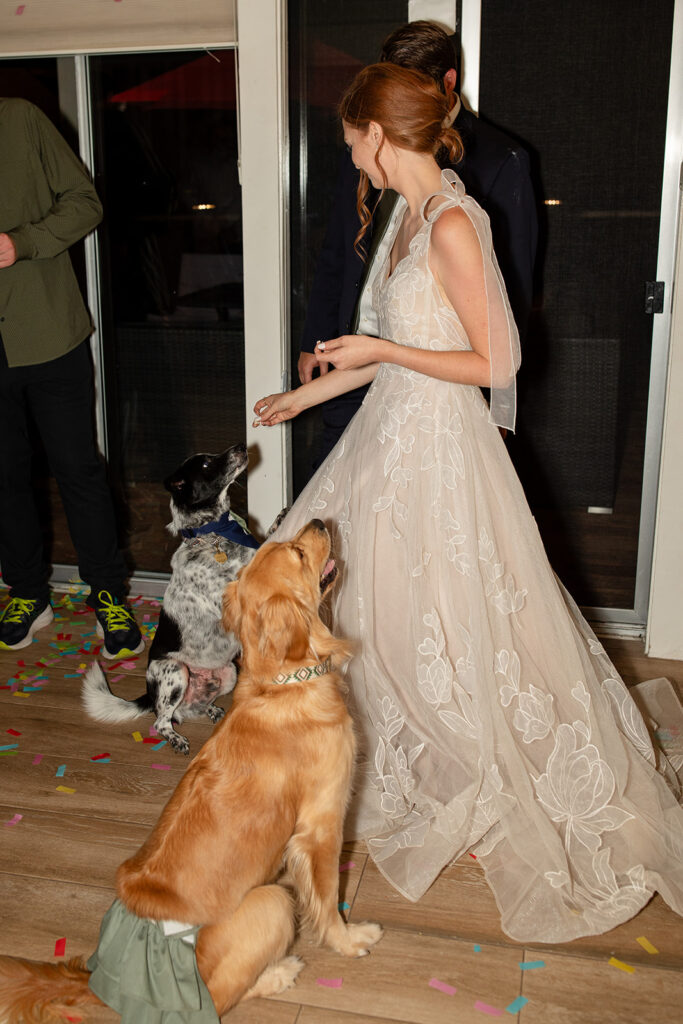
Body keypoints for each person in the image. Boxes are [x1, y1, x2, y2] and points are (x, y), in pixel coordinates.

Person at [252, 63, 683, 943]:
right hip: (388, 432)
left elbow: (498, 365)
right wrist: (311, 396)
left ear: (379, 133)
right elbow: (404, 344)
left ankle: (490, 770)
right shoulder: (409, 215)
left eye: (350, 144)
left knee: (463, 617)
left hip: (442, 451)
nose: (351, 161)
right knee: (396, 615)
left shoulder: (452, 222)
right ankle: (433, 764)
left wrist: (380, 348)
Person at [298, 20, 537, 471]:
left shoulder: (493, 168)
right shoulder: (383, 175)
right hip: (361, 375)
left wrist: (496, 405)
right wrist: (318, 354)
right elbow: (337, 255)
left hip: (437, 405)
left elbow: (507, 299)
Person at [0, 98, 143, 659]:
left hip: (49, 336)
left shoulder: (21, 120)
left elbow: (86, 204)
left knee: (78, 470)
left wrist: (21, 242)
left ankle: (109, 594)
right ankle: (28, 593)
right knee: (4, 477)